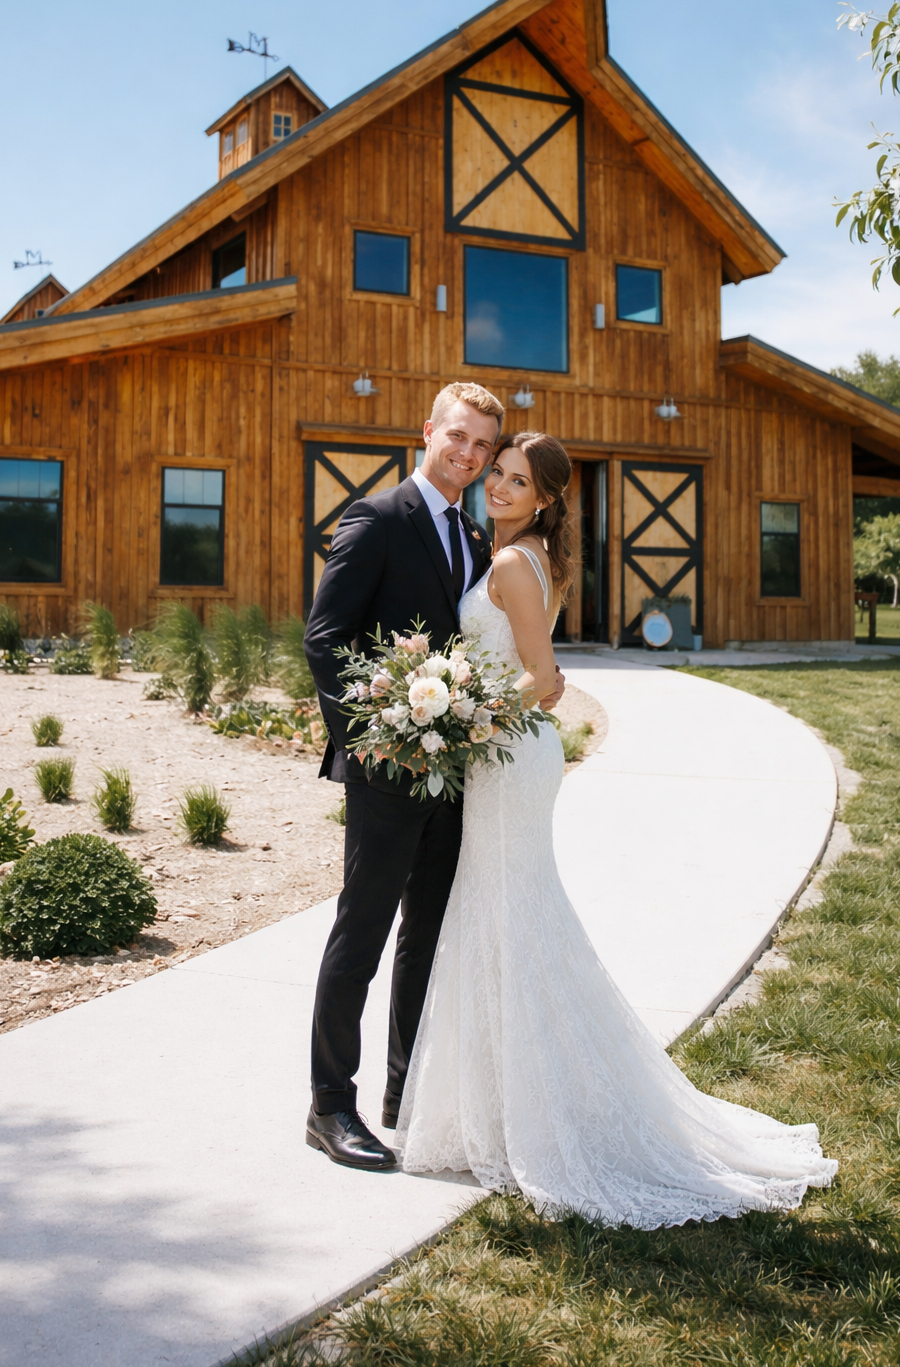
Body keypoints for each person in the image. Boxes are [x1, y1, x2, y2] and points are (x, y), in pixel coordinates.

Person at [397, 431, 838, 1226]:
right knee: (505, 919)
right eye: (495, 473)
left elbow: (541, 680)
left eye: (515, 480)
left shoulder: (507, 565)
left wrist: (459, 722)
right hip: (508, 759)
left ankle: (530, 1116)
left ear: (546, 498)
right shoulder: (532, 557)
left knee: (509, 920)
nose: (496, 486)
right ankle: (501, 1105)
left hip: (505, 757)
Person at [303, 383, 565, 1171]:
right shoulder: (378, 519)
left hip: (458, 772)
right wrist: (372, 742)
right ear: (429, 433)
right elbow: (326, 639)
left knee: (427, 937)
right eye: (459, 436)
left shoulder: (476, 537)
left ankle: (403, 1093)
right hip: (388, 769)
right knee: (363, 933)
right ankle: (329, 1106)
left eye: (484, 445)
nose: (470, 454)